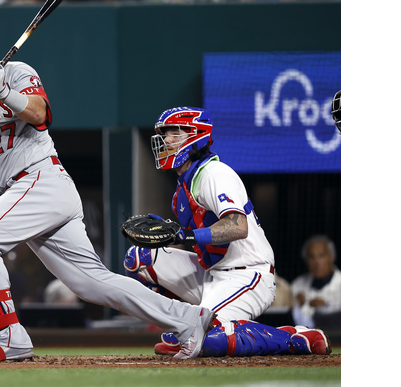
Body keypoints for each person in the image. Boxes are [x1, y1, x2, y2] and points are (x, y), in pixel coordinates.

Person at [0, 18, 217, 362]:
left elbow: (41, 114)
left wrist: (5, 93)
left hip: (41, 178)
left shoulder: (16, 72)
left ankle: (9, 334)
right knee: (90, 284)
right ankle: (188, 318)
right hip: (25, 191)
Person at [122, 106, 330, 357]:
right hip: (212, 273)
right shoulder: (181, 191)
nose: (166, 140)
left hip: (249, 274)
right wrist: (175, 234)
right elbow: (207, 246)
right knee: (139, 259)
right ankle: (181, 326)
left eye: (174, 133)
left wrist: (184, 236)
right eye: (165, 134)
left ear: (195, 135)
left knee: (208, 340)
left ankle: (295, 338)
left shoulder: (214, 174)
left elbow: (237, 226)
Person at [291, 235, 341, 329]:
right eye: (311, 257)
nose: (317, 261)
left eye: (321, 256)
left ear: (332, 257)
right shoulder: (297, 285)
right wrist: (295, 303)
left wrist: (325, 306)